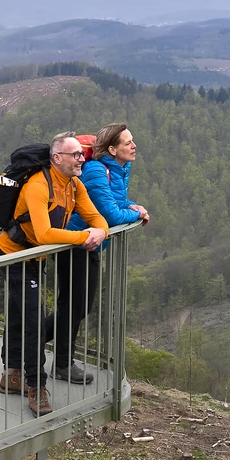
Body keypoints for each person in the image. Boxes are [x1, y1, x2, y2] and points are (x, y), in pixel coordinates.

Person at [0, 132, 108, 415]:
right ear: (57, 158)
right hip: (16, 255)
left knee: (20, 313)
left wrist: (101, 231)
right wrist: (84, 236)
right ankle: (37, 388)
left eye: (81, 154)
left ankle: (11, 376)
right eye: (75, 155)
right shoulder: (38, 185)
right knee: (32, 321)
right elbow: (44, 233)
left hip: (34, 255)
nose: (81, 158)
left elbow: (97, 218)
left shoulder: (73, 185)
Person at [56, 123, 150, 383]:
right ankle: (45, 353)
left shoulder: (119, 168)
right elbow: (109, 213)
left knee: (74, 307)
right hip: (76, 244)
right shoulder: (97, 170)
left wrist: (131, 206)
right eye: (127, 143)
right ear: (111, 149)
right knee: (74, 307)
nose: (134, 146)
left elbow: (114, 202)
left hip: (90, 242)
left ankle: (40, 351)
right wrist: (137, 214)